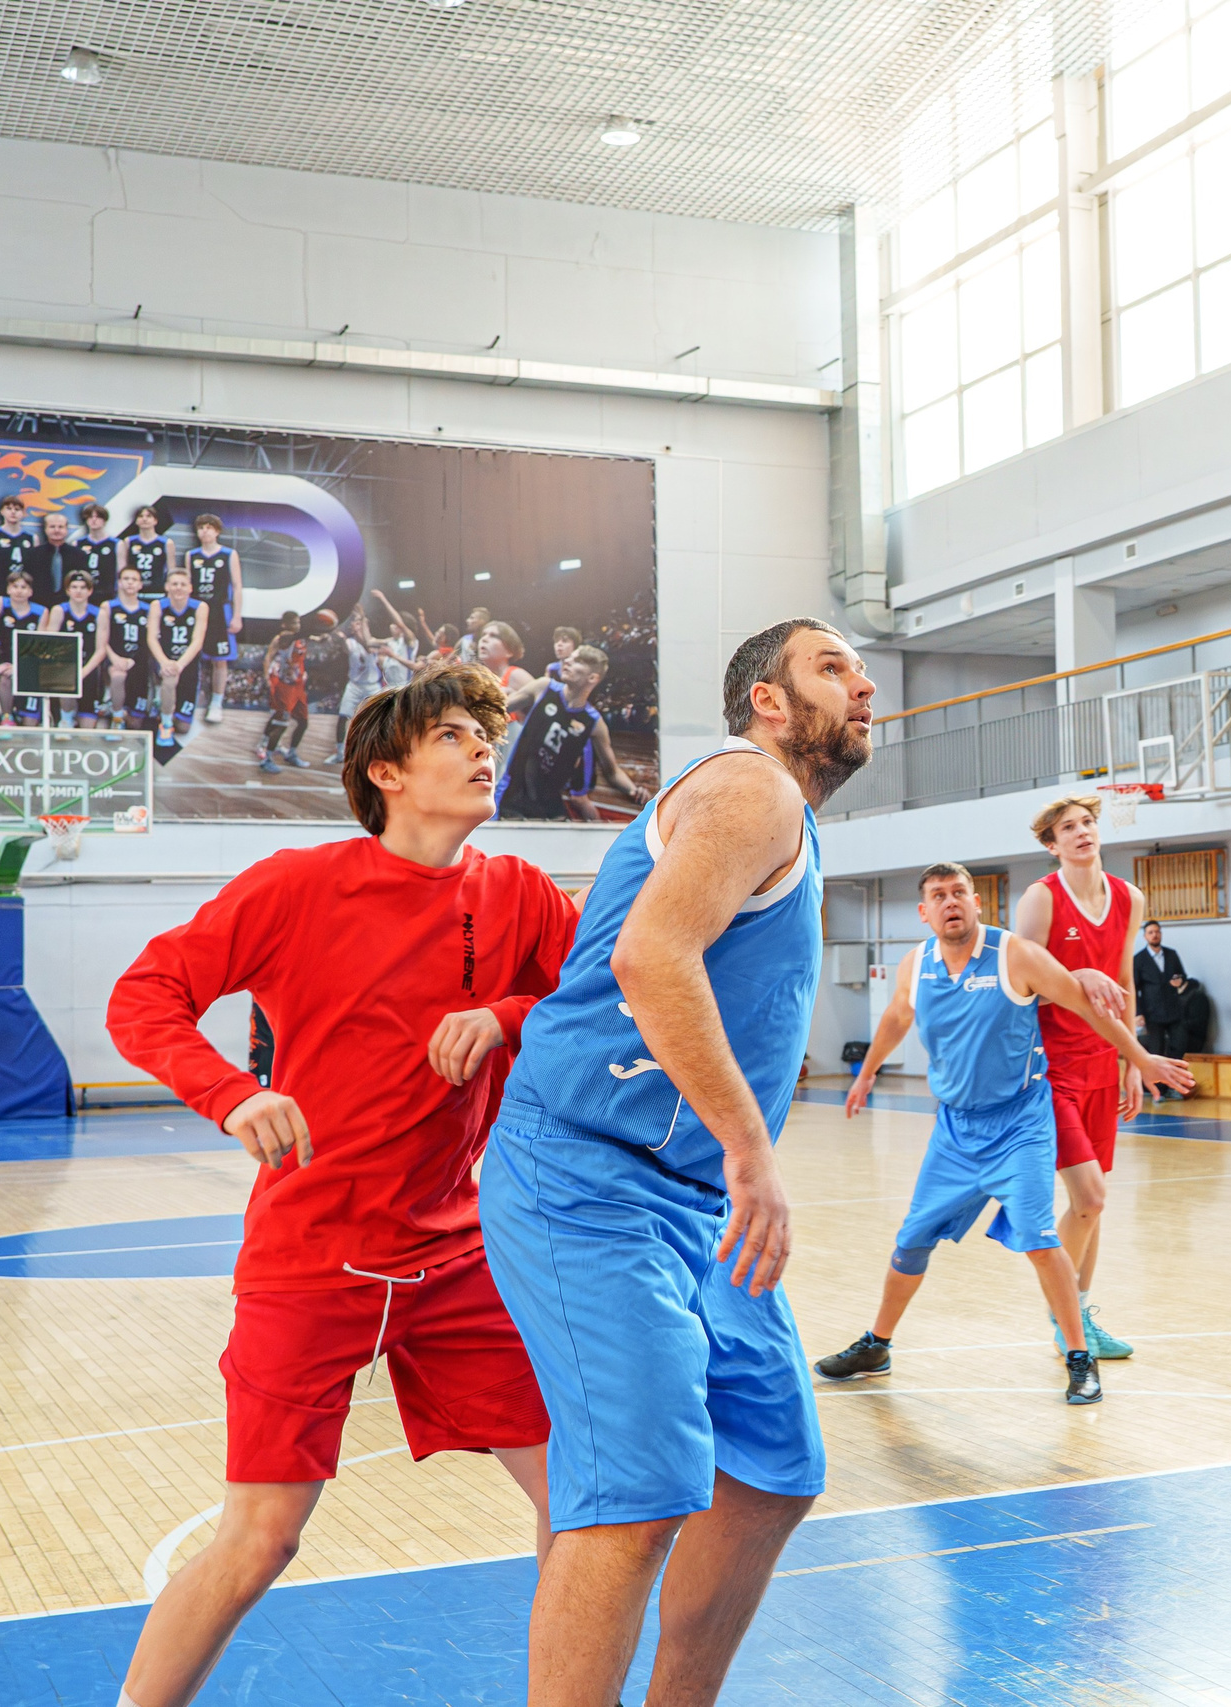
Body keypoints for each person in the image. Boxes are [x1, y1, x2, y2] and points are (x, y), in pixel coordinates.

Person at [107, 662, 576, 1707]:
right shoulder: (294, 886)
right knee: (259, 1541)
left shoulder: (521, 896)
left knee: (583, 1504)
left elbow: (601, 1004)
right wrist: (232, 1093)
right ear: (387, 773)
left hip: (459, 1259)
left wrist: (503, 1015)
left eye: (483, 735)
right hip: (313, 1260)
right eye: (452, 735)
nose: (479, 749)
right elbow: (143, 997)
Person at [477, 617, 872, 1707]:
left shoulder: (777, 816)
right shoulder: (752, 789)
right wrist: (753, 1151)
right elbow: (649, 958)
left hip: (689, 1199)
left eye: (860, 668)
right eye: (832, 668)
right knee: (640, 1492)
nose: (864, 685)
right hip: (587, 1177)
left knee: (770, 1474)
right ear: (769, 703)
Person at [815, 863, 1192, 1404]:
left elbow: (1086, 1005)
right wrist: (869, 1070)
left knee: (1041, 1240)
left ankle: (1079, 1357)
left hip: (1021, 1122)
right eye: (938, 896)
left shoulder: (1013, 954)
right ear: (924, 913)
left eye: (959, 893)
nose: (950, 903)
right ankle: (877, 1345)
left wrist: (1138, 1057)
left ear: (976, 902)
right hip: (955, 1131)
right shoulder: (916, 965)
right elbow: (898, 1017)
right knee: (910, 1243)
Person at [1011, 792, 1146, 1361]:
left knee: (1093, 1207)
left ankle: (1082, 1315)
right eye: (1069, 827)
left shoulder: (1128, 896)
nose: (1083, 832)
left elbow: (1123, 979)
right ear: (1052, 844)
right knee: (1088, 1196)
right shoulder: (1040, 899)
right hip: (1050, 1066)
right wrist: (1077, 971)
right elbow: (1024, 978)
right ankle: (1065, 1314)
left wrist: (1133, 1058)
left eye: (1088, 822)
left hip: (1102, 1062)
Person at [496, 645, 631, 820]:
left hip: (548, 805)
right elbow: (498, 709)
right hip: (512, 795)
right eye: (570, 658)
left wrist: (633, 790)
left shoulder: (594, 722)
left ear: (592, 678)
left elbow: (612, 772)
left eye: (577, 661)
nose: (567, 661)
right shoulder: (543, 687)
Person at [184, 513, 243, 724]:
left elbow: (236, 587)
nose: (205, 531)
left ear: (217, 531)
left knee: (220, 661)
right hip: (198, 611)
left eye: (209, 527)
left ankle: (216, 703)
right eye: (201, 527)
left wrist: (236, 615)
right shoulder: (191, 556)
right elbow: (188, 587)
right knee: (191, 658)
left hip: (220, 610)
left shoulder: (228, 554)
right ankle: (188, 700)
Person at [150, 567, 211, 749]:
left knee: (184, 727)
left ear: (190, 588)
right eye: (174, 584)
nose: (178, 587)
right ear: (167, 586)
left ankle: (164, 703)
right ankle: (166, 724)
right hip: (163, 660)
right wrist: (164, 662)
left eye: (182, 584)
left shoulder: (200, 607)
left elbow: (197, 641)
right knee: (169, 679)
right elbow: (151, 638)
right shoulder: (157, 605)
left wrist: (180, 664)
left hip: (187, 663)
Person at [100, 563, 157, 730]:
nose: (130, 582)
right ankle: (116, 717)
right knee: (118, 675)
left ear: (140, 584)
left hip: (139, 663)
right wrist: (115, 658)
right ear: (119, 583)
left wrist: (134, 659)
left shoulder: (149, 609)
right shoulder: (108, 606)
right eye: (126, 579)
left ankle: (134, 709)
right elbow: (102, 638)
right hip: (114, 659)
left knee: (135, 723)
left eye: (134, 579)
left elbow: (151, 640)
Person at [329, 607, 388, 762]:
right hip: (354, 685)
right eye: (354, 623)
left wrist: (362, 617)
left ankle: (375, 751)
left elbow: (367, 645)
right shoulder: (349, 642)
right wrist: (333, 626)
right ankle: (340, 753)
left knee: (375, 719)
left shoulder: (373, 642)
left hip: (372, 686)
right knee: (342, 718)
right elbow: (342, 645)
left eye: (358, 623)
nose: (354, 625)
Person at [49, 569, 107, 727]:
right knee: (67, 677)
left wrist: (83, 672)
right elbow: (48, 642)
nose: (78, 591)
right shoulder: (59, 611)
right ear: (68, 590)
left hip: (88, 668)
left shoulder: (99, 614)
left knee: (87, 728)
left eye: (83, 587)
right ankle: (65, 718)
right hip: (64, 667)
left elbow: (101, 649)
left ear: (90, 590)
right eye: (74, 587)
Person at [1133, 920, 1185, 1084]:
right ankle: (1159, 1088)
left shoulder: (1171, 954)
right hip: (1152, 1011)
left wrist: (1179, 980)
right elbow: (1135, 988)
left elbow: (1181, 975)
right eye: (1151, 932)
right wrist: (1138, 1013)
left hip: (1173, 1008)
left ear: (1160, 933)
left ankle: (1174, 1083)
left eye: (1157, 931)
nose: (1154, 935)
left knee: (1179, 1044)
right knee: (1157, 1049)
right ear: (1145, 936)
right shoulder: (1139, 959)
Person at [257, 611, 310, 771]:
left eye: (298, 622)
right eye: (294, 623)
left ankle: (292, 753)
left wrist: (323, 636)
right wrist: (267, 675)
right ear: (285, 625)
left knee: (303, 722)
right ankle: (267, 758)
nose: (297, 626)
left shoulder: (300, 639)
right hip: (284, 686)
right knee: (281, 723)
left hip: (298, 686)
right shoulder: (283, 638)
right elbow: (270, 655)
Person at [0, 568, 46, 726]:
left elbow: (40, 645)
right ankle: (6, 716)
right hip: (5, 658)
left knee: (30, 723)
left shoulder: (41, 612)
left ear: (30, 591)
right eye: (15, 587)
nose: (19, 591)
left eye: (24, 587)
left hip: (31, 662)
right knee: (4, 676)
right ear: (9, 589)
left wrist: (21, 667)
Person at [0, 494, 39, 599]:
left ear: (23, 513)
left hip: (23, 592)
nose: (13, 512)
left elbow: (35, 571)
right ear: (1, 511)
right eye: (9, 508)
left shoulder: (32, 538)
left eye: (17, 509)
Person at [70, 502, 123, 602]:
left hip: (108, 594)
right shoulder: (78, 544)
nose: (94, 520)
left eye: (98, 517)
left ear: (104, 520)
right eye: (90, 517)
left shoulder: (116, 544)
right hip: (84, 595)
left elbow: (121, 572)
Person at [122, 504, 175, 598]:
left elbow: (171, 571)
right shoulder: (129, 542)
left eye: (148, 516)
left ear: (155, 520)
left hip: (157, 592)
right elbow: (123, 569)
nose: (144, 519)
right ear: (136, 521)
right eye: (141, 516)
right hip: (134, 594)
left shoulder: (166, 543)